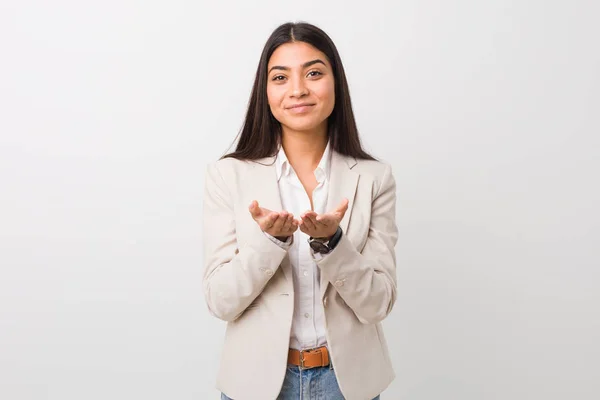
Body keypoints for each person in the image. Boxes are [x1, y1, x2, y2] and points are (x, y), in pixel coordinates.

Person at [203, 21, 398, 400]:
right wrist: (270, 243)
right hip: (256, 385)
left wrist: (332, 244)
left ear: (335, 83)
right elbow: (220, 300)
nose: (298, 90)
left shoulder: (375, 178)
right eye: (280, 77)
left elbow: (378, 303)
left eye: (313, 73)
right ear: (265, 91)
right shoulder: (228, 175)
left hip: (347, 385)